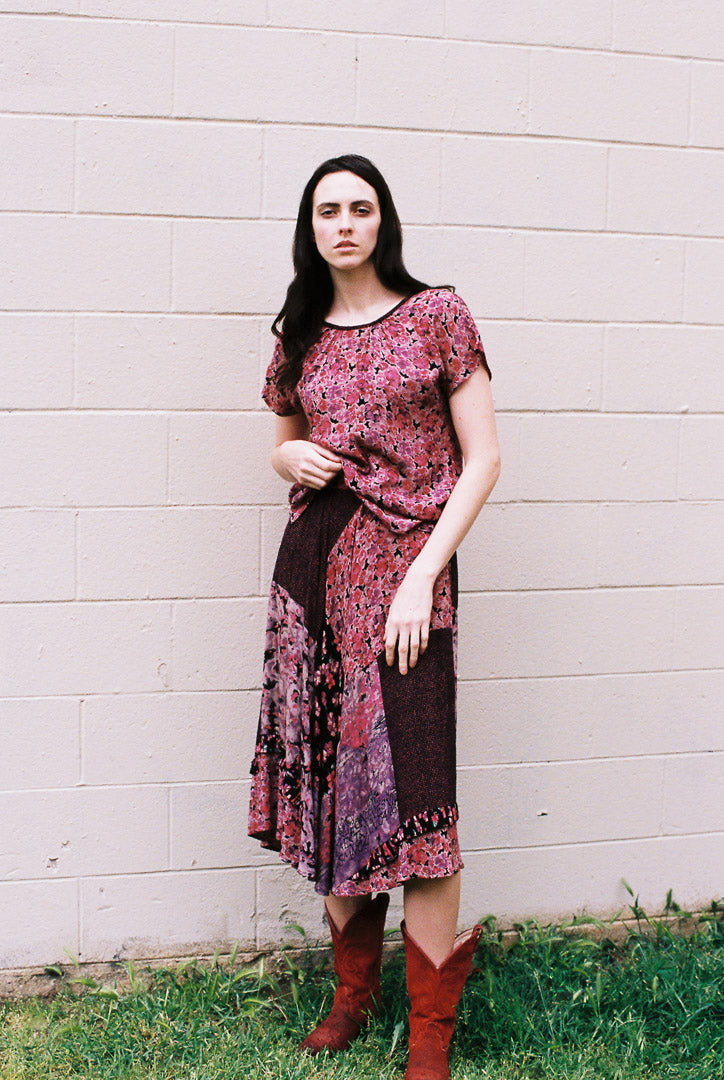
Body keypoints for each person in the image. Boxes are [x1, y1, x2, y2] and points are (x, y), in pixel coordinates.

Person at [248, 154, 501, 1080]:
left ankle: (429, 1032)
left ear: (382, 219)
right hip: (313, 576)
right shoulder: (301, 331)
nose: (345, 222)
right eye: (328, 209)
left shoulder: (438, 315)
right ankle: (353, 994)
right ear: (310, 227)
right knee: (335, 791)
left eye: (361, 207)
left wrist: (423, 576)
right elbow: (283, 439)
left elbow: (482, 460)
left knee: (421, 793)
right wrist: (291, 461)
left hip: (405, 576)